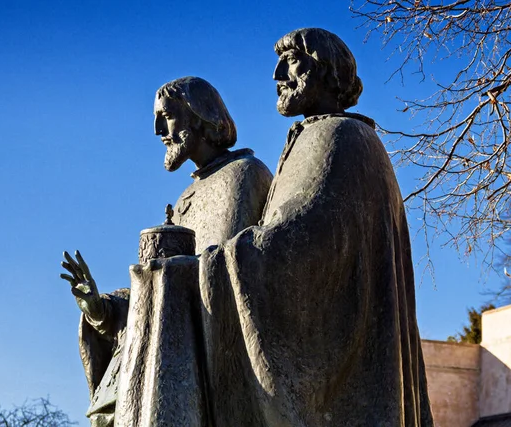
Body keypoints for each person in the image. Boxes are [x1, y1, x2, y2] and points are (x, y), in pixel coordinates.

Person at [196, 28, 434, 426]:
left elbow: (306, 244)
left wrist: (214, 264)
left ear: (324, 70)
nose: (277, 74)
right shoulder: (317, 135)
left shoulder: (342, 136)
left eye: (290, 62)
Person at [61, 77, 272, 426]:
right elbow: (163, 290)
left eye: (167, 116)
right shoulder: (185, 199)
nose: (159, 129)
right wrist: (102, 309)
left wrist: (170, 273)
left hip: (213, 361)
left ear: (199, 116)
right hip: (170, 346)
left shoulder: (245, 175)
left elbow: (229, 274)